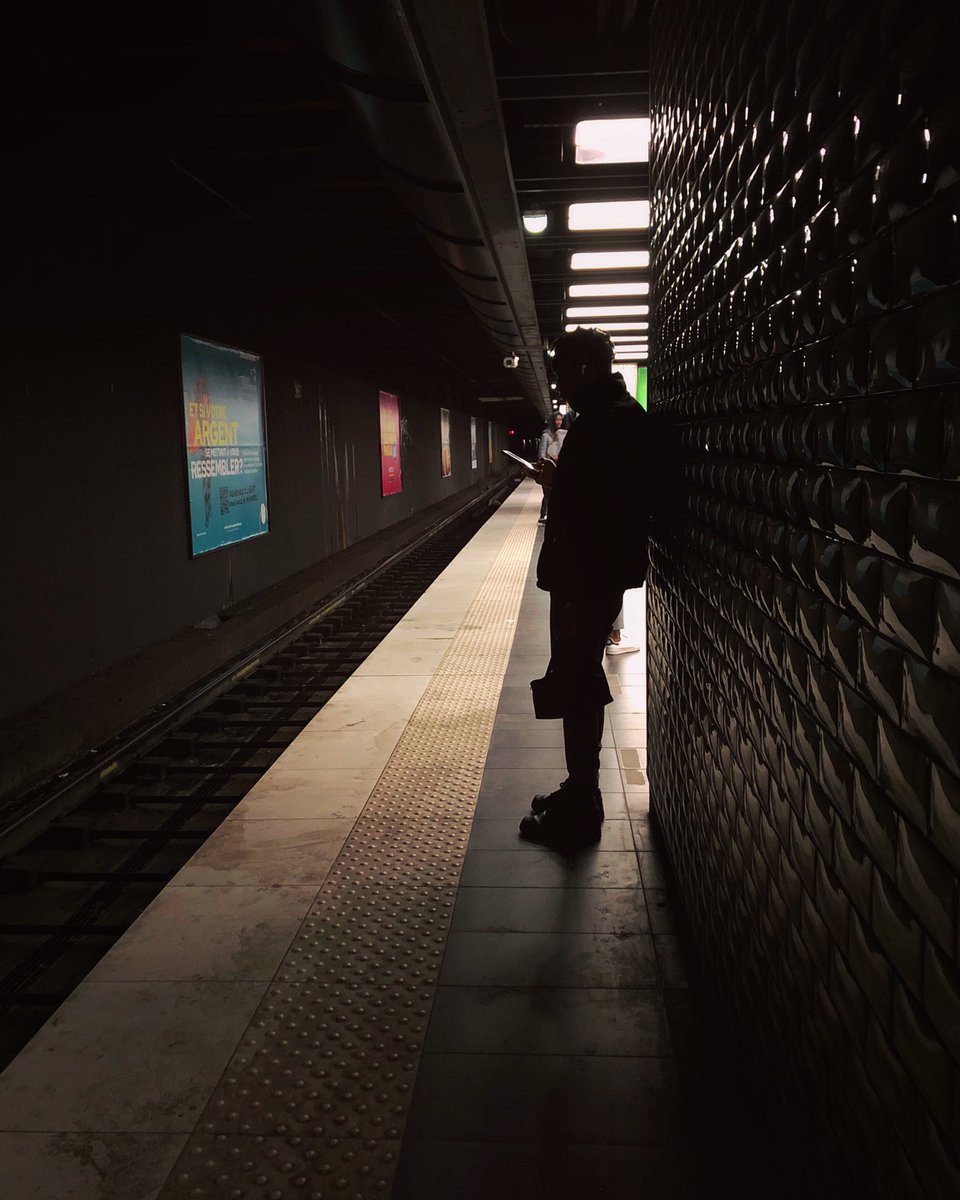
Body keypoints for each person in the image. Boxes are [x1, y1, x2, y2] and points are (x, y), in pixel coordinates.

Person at [521, 328, 650, 850]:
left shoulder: (608, 422)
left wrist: (573, 594)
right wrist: (559, 483)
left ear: (583, 369)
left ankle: (583, 807)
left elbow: (601, 515)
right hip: (588, 575)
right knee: (575, 679)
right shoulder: (609, 417)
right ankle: (579, 789)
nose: (560, 383)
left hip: (584, 578)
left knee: (577, 683)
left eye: (564, 372)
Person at [536, 412, 566, 523]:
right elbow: (542, 454)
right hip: (548, 469)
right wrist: (543, 467)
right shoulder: (546, 435)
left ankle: (551, 515)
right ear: (552, 421)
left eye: (561, 420)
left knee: (555, 493)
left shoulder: (561, 434)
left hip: (558, 469)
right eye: (557, 420)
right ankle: (544, 515)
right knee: (548, 493)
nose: (559, 422)